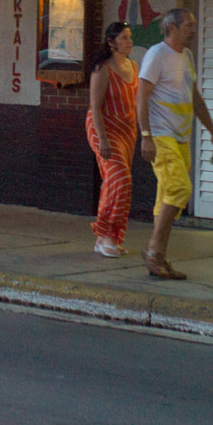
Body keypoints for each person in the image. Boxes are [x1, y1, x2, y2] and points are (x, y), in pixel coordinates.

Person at [137, 8, 213, 280]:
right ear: (172, 28)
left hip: (181, 137)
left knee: (167, 196)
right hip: (161, 136)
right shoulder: (156, 55)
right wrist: (146, 135)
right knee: (179, 189)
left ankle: (158, 255)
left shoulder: (186, 56)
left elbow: (194, 97)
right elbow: (141, 96)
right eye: (189, 24)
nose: (194, 29)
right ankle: (154, 251)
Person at [85, 21, 139, 257]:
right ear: (111, 42)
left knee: (115, 182)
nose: (129, 42)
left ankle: (107, 238)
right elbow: (95, 107)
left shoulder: (134, 66)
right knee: (119, 178)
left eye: (130, 37)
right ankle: (106, 233)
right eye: (124, 37)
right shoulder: (102, 69)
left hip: (127, 129)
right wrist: (103, 141)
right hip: (104, 128)